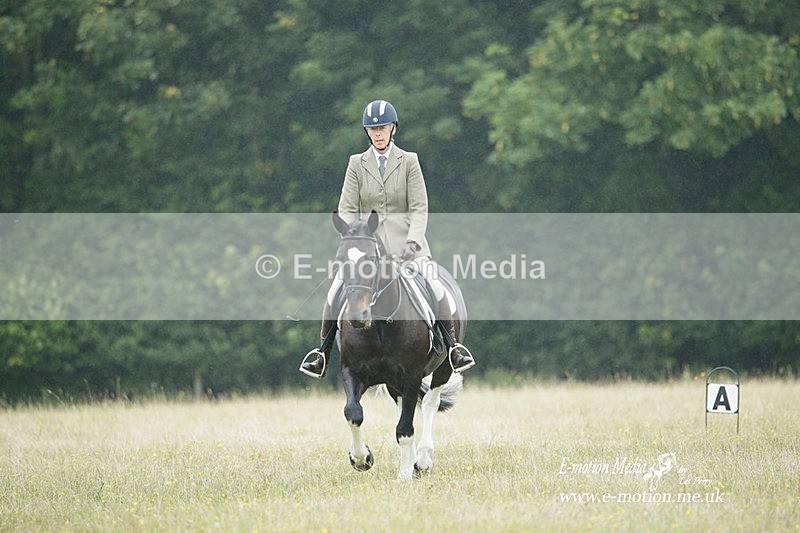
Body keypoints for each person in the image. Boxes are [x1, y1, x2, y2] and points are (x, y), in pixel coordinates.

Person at [299, 99, 475, 379]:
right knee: (334, 291)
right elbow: (345, 206)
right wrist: (352, 233)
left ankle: (453, 348)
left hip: (407, 248)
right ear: (367, 132)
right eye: (372, 129)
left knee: (436, 285)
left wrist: (413, 242)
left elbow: (419, 207)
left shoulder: (409, 161)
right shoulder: (356, 163)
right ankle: (321, 353)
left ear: (393, 129)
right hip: (367, 248)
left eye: (383, 128)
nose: (378, 133)